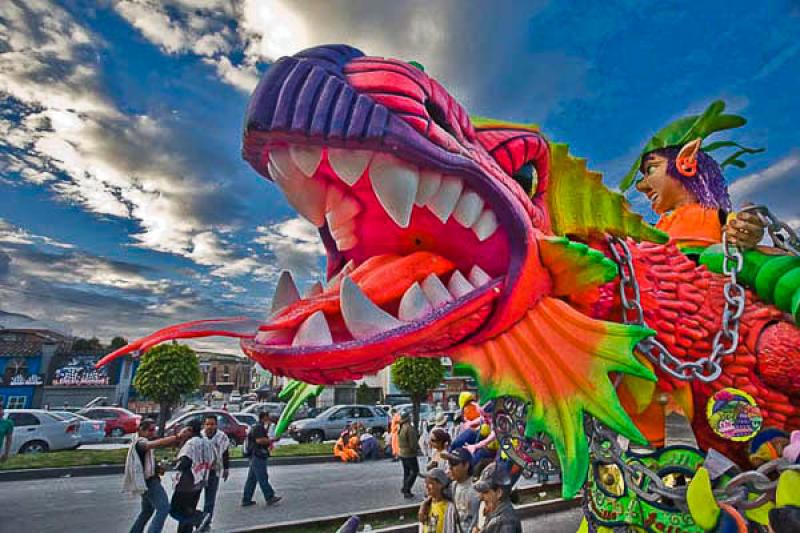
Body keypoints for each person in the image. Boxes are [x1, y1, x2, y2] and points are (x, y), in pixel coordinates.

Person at [125, 419, 181, 533]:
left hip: (147, 481)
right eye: (150, 430)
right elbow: (155, 444)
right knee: (164, 508)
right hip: (149, 483)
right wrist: (177, 437)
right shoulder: (140, 443)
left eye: (153, 430)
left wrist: (160, 467)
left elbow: (149, 464)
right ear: (141, 430)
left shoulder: (141, 442)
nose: (153, 433)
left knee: (147, 511)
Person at [171, 420, 213, 533]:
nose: (182, 432)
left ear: (190, 430)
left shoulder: (191, 443)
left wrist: (174, 464)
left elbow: (184, 461)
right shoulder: (205, 442)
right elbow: (211, 460)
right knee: (188, 509)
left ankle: (200, 518)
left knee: (175, 509)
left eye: (184, 430)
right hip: (199, 480)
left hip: (187, 482)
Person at [241, 411, 282, 507]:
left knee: (252, 478)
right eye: (268, 417)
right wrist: (273, 440)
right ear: (264, 417)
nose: (269, 419)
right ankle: (269, 496)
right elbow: (259, 440)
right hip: (257, 455)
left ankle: (246, 499)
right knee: (262, 476)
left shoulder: (256, 426)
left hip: (254, 454)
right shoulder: (259, 427)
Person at [200, 414, 229, 531]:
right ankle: (195, 520)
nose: (210, 427)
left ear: (216, 425)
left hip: (213, 471)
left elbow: (225, 453)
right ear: (204, 425)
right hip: (199, 472)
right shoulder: (200, 436)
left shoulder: (222, 437)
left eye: (212, 424)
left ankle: (206, 521)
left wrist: (226, 469)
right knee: (194, 497)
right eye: (207, 424)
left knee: (210, 499)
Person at [473, 462, 521, 533]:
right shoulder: (494, 514)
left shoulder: (505, 522)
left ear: (499, 493)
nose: (481, 497)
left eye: (485, 492)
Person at [444, 448, 480, 533]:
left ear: (466, 465)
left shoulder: (477, 489)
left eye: (454, 464)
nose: (450, 467)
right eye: (449, 463)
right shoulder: (453, 486)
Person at [418, 468, 459, 533]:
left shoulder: (449, 508)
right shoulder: (427, 504)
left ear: (441, 485)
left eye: (430, 483)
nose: (426, 486)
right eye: (425, 482)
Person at [397, 411, 421, 499]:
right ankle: (407, 488)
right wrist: (417, 450)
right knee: (415, 471)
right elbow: (413, 443)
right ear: (408, 418)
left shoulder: (402, 427)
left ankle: (405, 488)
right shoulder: (409, 428)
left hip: (402, 453)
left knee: (406, 472)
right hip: (409, 454)